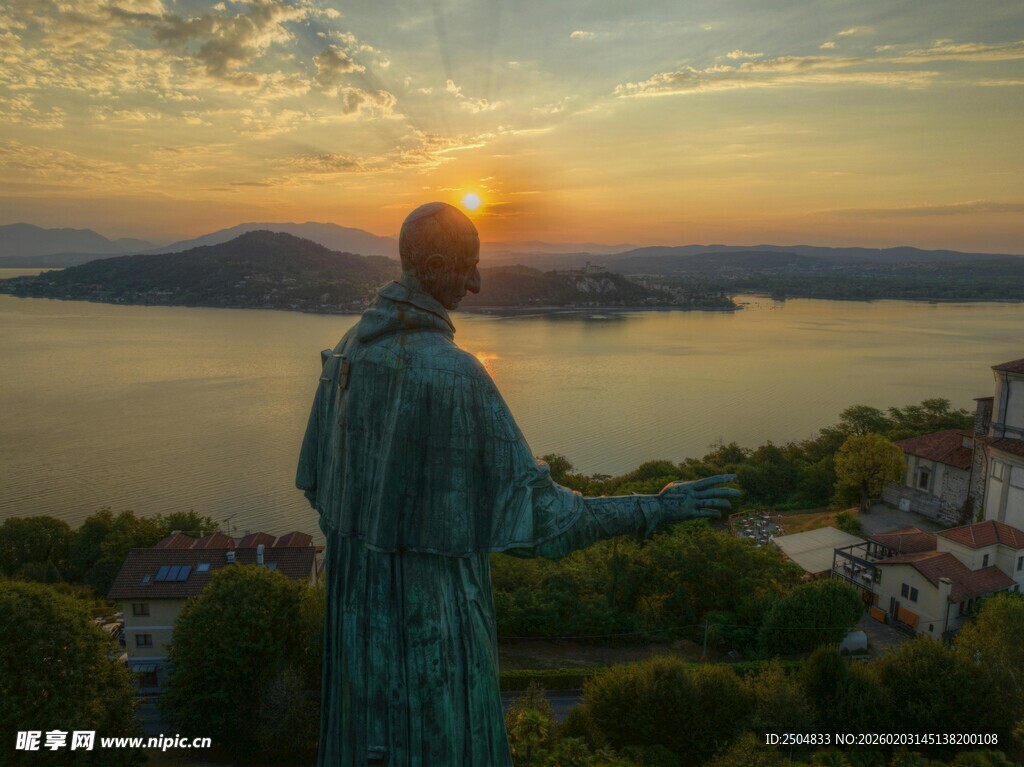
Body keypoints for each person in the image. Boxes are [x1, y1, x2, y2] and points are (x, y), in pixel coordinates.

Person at [296, 201, 738, 766]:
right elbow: (546, 525)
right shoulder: (453, 374)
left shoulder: (351, 346)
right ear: (432, 264)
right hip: (432, 645)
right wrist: (657, 508)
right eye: (469, 266)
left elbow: (316, 487)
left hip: (357, 646)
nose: (477, 284)